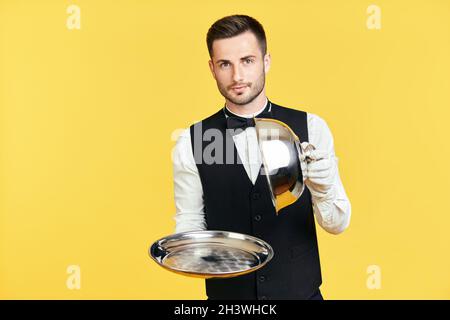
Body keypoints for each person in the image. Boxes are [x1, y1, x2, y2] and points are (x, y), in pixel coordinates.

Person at [172, 14, 351, 300]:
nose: (237, 76)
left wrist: (324, 185)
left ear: (266, 61)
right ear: (212, 68)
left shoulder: (311, 127)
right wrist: (188, 254)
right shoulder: (190, 141)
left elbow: (337, 225)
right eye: (225, 64)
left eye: (247, 60)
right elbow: (191, 224)